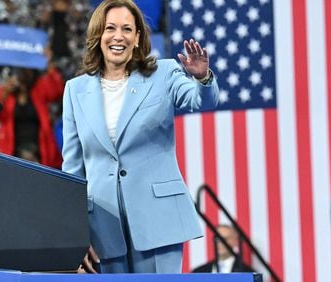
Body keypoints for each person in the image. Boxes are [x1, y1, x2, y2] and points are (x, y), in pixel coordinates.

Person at [61, 0, 219, 273]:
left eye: (127, 29)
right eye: (110, 28)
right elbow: (72, 169)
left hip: (158, 220)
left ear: (137, 38)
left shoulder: (164, 73)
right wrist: (75, 233)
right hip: (101, 229)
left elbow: (200, 101)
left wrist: (202, 78)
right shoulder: (75, 90)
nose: (118, 36)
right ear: (98, 35)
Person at [0, 66, 64, 168]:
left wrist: (49, 63)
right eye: (19, 70)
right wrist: (4, 94)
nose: (22, 73)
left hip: (40, 151)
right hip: (11, 150)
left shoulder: (40, 87)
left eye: (26, 70)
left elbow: (57, 90)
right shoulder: (5, 91)